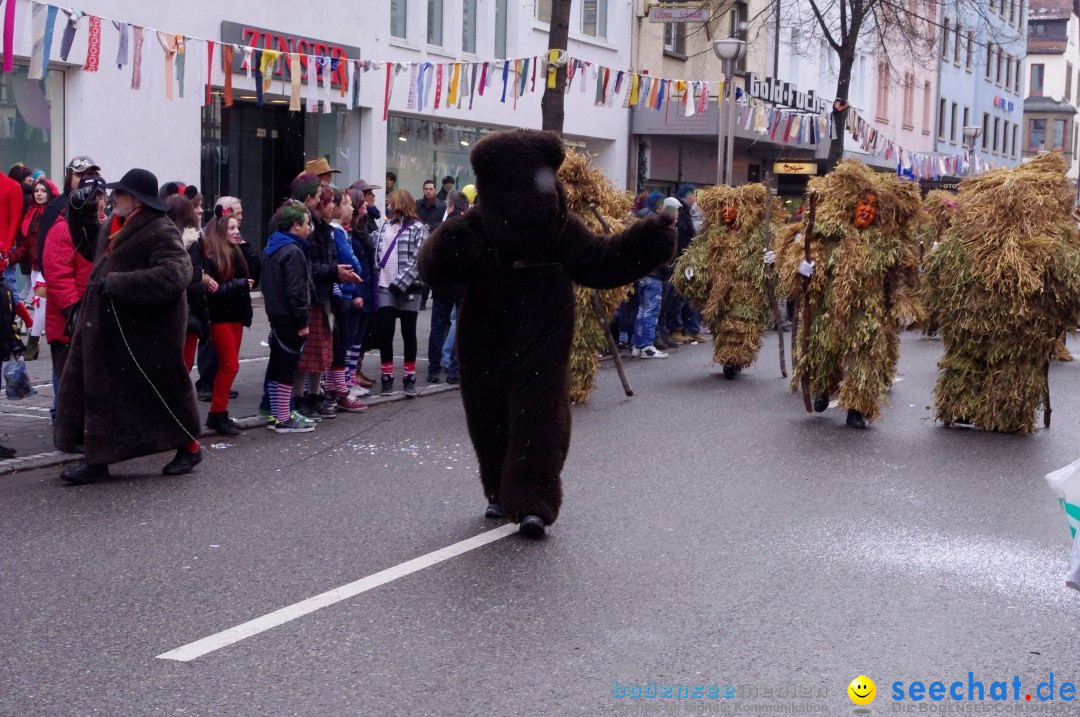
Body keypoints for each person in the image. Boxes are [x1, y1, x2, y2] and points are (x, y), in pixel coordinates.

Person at [54, 168, 203, 483]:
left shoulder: (160, 229)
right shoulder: (115, 223)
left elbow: (177, 274)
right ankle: (96, 461)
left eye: (119, 193)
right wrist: (78, 211)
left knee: (163, 392)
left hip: (147, 333)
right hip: (109, 329)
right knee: (100, 393)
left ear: (135, 200)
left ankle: (190, 448)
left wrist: (119, 283)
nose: (113, 197)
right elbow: (91, 246)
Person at [778, 159, 921, 430]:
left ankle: (856, 408)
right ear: (852, 204)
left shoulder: (886, 244)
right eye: (864, 203)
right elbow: (802, 264)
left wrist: (903, 301)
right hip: (827, 310)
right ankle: (823, 388)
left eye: (873, 206)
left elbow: (900, 276)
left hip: (866, 314)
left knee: (863, 362)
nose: (867, 210)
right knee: (824, 353)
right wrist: (803, 268)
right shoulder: (829, 235)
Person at [291, 174, 361, 419]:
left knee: (322, 351)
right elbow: (309, 267)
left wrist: (336, 271)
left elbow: (330, 260)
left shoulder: (324, 230)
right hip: (311, 298)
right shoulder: (307, 229)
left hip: (324, 296)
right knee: (307, 354)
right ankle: (299, 399)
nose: (332, 205)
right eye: (327, 200)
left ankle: (314, 395)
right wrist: (334, 271)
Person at [202, 206, 260, 435]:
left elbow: (255, 268)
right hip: (221, 318)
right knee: (230, 365)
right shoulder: (213, 257)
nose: (238, 232)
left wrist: (243, 245)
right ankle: (217, 414)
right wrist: (239, 285)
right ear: (221, 231)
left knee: (230, 366)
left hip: (235, 316)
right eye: (232, 228)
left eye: (238, 227)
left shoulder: (237, 251)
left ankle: (219, 412)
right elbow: (214, 292)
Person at [43, 176, 103, 393]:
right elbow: (59, 278)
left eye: (99, 197)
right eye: (92, 198)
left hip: (89, 322)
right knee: (71, 392)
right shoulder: (62, 230)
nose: (97, 203)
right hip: (69, 325)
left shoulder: (101, 229)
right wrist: (76, 314)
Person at [262, 200, 316, 433]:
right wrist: (303, 321)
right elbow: (296, 290)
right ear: (295, 225)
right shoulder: (293, 251)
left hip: (277, 314)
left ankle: (278, 413)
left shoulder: (273, 246)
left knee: (277, 365)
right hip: (290, 318)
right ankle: (283, 418)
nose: (309, 228)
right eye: (306, 224)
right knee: (286, 367)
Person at [373, 188, 428, 396]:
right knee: (385, 332)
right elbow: (377, 251)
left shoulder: (418, 229)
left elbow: (418, 260)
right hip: (385, 286)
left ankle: (409, 377)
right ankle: (386, 377)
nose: (387, 205)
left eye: (390, 202)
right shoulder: (386, 226)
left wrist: (401, 283)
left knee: (408, 333)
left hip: (409, 289)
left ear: (399, 204)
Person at [325, 187, 367, 413]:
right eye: (348, 204)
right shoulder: (336, 232)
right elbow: (353, 263)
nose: (351, 208)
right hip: (341, 294)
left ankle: (335, 386)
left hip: (345, 293)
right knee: (339, 344)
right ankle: (338, 388)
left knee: (342, 342)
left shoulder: (340, 231)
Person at [13, 177, 58, 360]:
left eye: (43, 190)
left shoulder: (54, 213)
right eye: (37, 190)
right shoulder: (31, 213)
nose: (39, 193)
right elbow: (25, 244)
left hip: (47, 267)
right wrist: (10, 258)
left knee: (40, 304)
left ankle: (33, 343)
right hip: (34, 266)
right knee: (39, 305)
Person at [630, 198, 679, 359]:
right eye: (676, 213)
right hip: (655, 277)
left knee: (642, 310)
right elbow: (662, 255)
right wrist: (667, 268)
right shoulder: (663, 231)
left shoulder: (648, 228)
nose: (677, 217)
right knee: (651, 312)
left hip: (643, 276)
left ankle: (637, 345)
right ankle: (647, 346)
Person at [426, 190, 467, 383]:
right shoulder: (471, 228)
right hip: (462, 285)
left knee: (437, 327)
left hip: (442, 286)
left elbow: (430, 257)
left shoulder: (439, 228)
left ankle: (433, 370)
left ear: (450, 206)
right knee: (460, 327)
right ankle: (454, 371)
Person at [166, 195, 208, 375]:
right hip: (186, 318)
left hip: (165, 318)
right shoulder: (191, 243)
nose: (200, 211)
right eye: (195, 207)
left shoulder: (162, 240)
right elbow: (193, 285)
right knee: (182, 373)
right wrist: (205, 322)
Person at [38, 156, 101, 270]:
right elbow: (45, 254)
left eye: (91, 174)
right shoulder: (55, 207)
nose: (86, 179)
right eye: (80, 175)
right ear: (69, 177)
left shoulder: (102, 203)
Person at [345, 188, 378, 393]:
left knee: (359, 336)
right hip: (358, 288)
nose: (367, 204)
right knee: (352, 335)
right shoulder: (349, 233)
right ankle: (348, 378)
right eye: (363, 203)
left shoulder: (362, 227)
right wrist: (356, 293)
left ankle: (353, 375)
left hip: (366, 287)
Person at [666, 183, 705, 344]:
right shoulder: (682, 214)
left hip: (686, 258)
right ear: (688, 195)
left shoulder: (685, 212)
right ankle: (676, 329)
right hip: (680, 260)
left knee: (688, 296)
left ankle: (690, 328)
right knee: (680, 296)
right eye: (694, 195)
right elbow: (683, 236)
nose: (695, 198)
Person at [416, 180, 446, 312]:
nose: (428, 191)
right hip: (419, 242)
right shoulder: (417, 205)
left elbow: (444, 223)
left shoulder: (441, 207)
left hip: (434, 243)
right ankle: (421, 300)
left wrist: (432, 227)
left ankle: (428, 299)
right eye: (426, 189)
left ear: (435, 190)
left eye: (431, 189)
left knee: (431, 271)